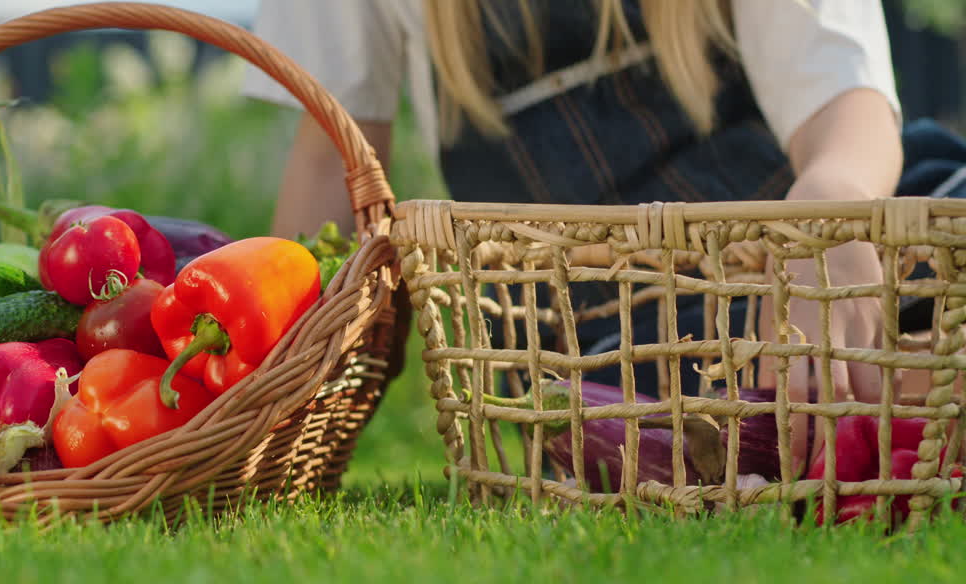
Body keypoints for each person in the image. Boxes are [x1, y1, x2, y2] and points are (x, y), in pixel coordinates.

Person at [243, 0, 965, 469]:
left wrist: (827, 222)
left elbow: (846, 100)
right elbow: (329, 156)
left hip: (803, 236)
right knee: (731, 411)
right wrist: (281, 377)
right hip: (601, 327)